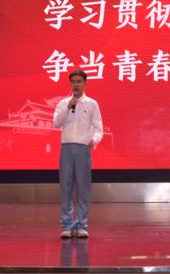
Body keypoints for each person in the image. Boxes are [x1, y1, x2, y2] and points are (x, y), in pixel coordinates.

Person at [52, 69, 103, 239]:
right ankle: (67, 224)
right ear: (70, 83)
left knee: (83, 187)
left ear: (85, 83)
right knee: (66, 186)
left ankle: (82, 224)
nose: (76, 84)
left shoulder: (92, 104)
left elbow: (98, 127)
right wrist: (68, 108)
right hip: (66, 148)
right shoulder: (63, 103)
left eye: (79, 81)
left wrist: (93, 140)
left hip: (83, 148)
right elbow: (56, 123)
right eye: (73, 81)